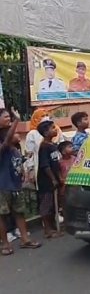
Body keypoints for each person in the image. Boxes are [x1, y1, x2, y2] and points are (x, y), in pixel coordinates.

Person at [0, 108, 42, 254]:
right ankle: (5, 244)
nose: (8, 119)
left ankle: (25, 239)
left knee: (19, 213)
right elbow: (4, 144)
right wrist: (17, 120)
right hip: (3, 186)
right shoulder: (4, 143)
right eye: (5, 117)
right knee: (2, 216)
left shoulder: (14, 148)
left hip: (15, 186)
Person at [37, 120, 63, 238]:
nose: (55, 129)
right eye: (52, 128)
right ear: (46, 132)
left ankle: (53, 227)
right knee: (46, 205)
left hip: (55, 178)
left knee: (54, 205)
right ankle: (47, 229)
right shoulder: (44, 147)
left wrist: (59, 177)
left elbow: (56, 163)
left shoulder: (53, 146)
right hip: (46, 181)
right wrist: (52, 178)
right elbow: (45, 165)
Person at [57, 141, 75, 216]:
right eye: (69, 147)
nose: (72, 148)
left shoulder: (75, 159)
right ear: (63, 151)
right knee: (65, 202)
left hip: (74, 184)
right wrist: (61, 179)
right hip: (65, 185)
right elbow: (58, 172)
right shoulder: (60, 162)